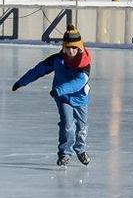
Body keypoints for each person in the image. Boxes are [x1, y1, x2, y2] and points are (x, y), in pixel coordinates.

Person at [11, 25, 91, 167]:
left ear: (79, 47)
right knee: (67, 124)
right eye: (68, 47)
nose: (71, 51)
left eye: (74, 48)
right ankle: (65, 153)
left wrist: (59, 90)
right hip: (63, 99)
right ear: (64, 47)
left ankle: (80, 149)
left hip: (80, 98)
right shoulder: (57, 60)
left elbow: (79, 82)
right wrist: (21, 82)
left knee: (81, 127)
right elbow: (38, 70)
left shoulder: (84, 63)